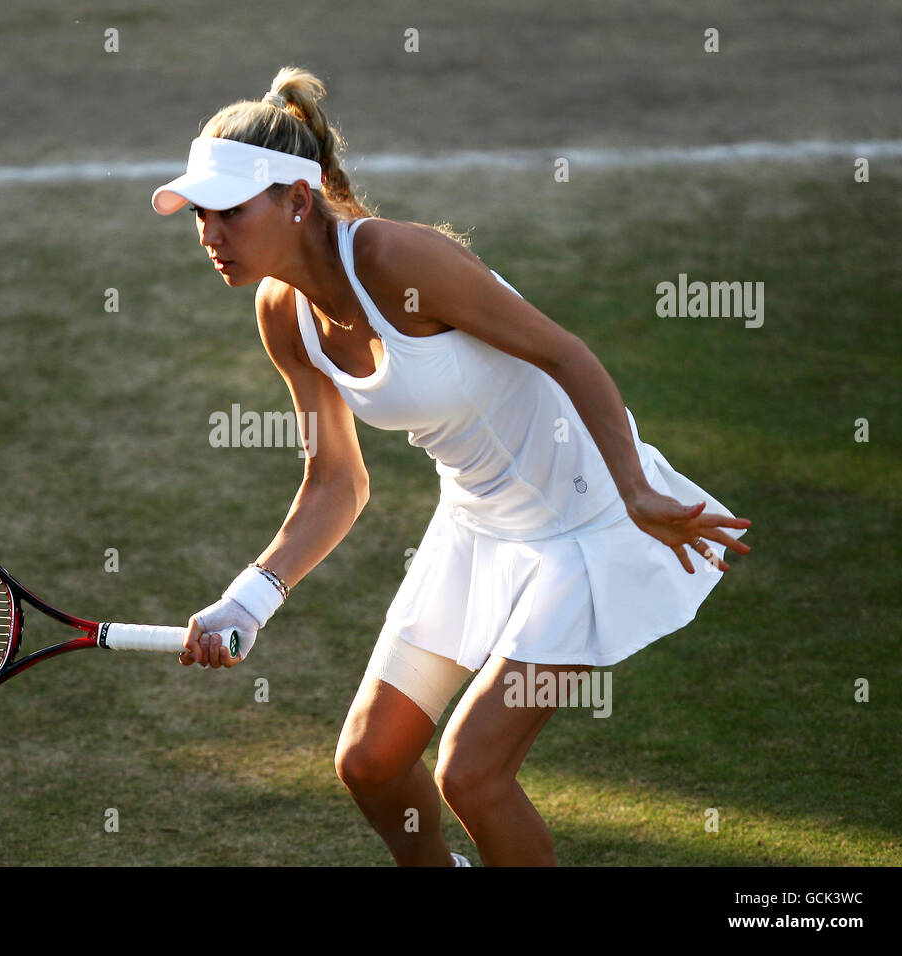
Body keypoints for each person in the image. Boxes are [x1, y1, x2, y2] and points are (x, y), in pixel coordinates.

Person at [150, 67, 751, 867]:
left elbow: (564, 353)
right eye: (198, 213)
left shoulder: (402, 261)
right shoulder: (282, 315)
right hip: (475, 523)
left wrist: (637, 489)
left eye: (227, 211)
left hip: (587, 520)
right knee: (368, 762)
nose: (207, 233)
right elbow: (336, 481)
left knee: (474, 775)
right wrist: (248, 600)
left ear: (297, 201)